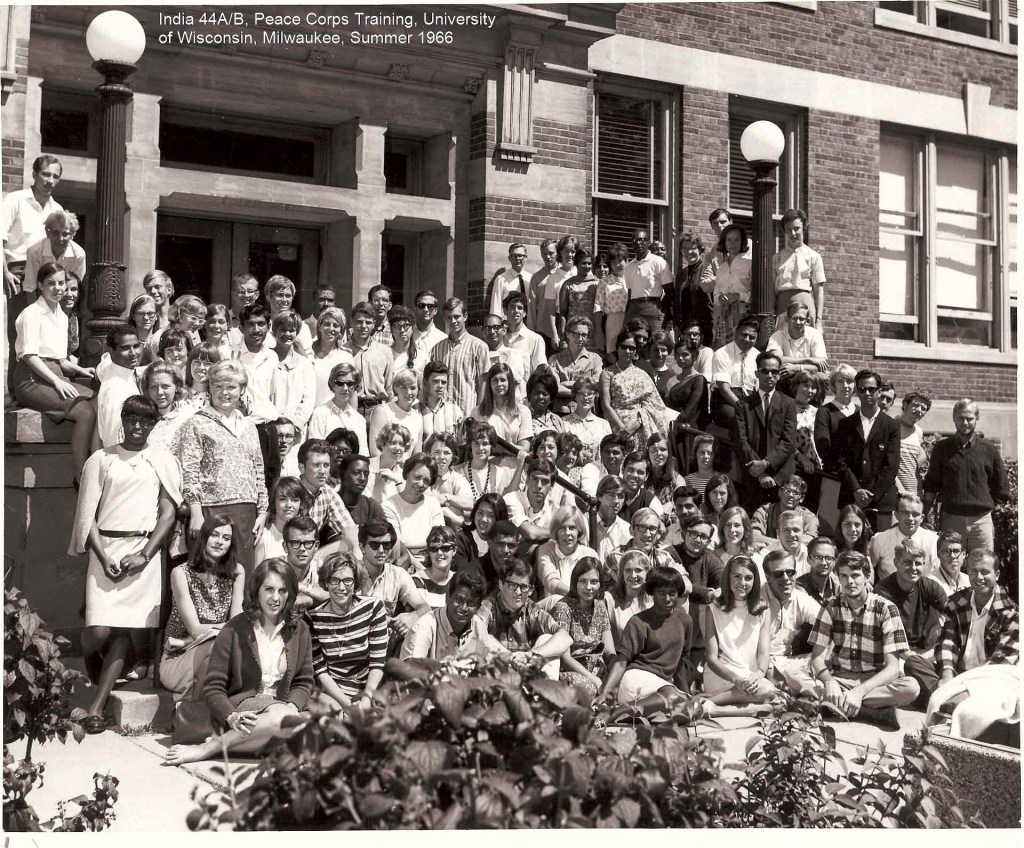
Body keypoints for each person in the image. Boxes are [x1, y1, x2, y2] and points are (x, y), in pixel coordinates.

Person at [68, 396, 181, 733]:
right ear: (122, 419)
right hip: (105, 549)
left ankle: (96, 708)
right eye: (131, 418)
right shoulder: (101, 459)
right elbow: (86, 514)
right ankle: (94, 660)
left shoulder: (163, 461)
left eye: (144, 421)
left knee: (121, 630)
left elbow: (168, 512)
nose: (137, 426)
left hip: (142, 553)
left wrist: (145, 555)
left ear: (154, 425)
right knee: (98, 631)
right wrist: (103, 557)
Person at [165, 559, 315, 765]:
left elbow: (304, 681)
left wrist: (292, 705)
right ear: (256, 590)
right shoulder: (234, 629)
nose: (275, 598)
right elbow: (213, 686)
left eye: (282, 591)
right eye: (269, 589)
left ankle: (232, 743)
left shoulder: (300, 629)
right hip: (244, 707)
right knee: (286, 724)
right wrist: (230, 716)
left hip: (280, 706)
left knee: (312, 728)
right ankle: (207, 749)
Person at [780, 551, 920, 730]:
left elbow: (892, 669)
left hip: (873, 682)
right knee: (792, 674)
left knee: (911, 688)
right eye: (844, 576)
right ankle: (867, 712)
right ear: (838, 578)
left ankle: (832, 705)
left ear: (867, 577)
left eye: (855, 575)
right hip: (840, 679)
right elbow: (816, 658)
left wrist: (859, 692)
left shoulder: (885, 609)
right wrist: (829, 682)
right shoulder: (831, 606)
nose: (849, 582)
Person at [177, 360, 268, 575]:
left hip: (246, 513)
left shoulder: (249, 426)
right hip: (211, 512)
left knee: (241, 575)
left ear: (242, 389)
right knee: (210, 576)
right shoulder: (196, 423)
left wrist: (262, 511)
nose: (224, 393)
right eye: (218, 386)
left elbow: (258, 469)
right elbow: (189, 471)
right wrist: (196, 511)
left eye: (231, 387)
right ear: (209, 387)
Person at [12, 262, 96, 478]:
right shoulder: (31, 313)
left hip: (54, 375)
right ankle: (81, 475)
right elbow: (30, 356)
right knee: (85, 413)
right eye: (51, 283)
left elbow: (60, 361)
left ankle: (96, 463)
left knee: (97, 401)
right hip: (30, 379)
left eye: (61, 283)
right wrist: (57, 382)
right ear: (40, 285)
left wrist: (83, 370)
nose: (58, 288)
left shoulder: (62, 316)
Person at [159, 515, 245, 701]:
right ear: (204, 537)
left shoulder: (236, 572)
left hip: (217, 655)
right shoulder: (181, 573)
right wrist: (230, 627)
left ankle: (194, 710)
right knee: (218, 645)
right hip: (178, 658)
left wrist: (233, 627)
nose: (220, 542)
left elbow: (238, 623)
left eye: (226, 538)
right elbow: (196, 629)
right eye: (214, 535)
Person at [922, 549, 1019, 707]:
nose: (978, 577)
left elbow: (1000, 663)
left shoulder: (1012, 613)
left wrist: (964, 684)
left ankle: (948, 698)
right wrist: (947, 675)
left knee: (1007, 683)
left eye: (985, 572)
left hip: (986, 678)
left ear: (997, 575)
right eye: (973, 571)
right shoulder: (956, 602)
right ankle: (952, 698)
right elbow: (947, 642)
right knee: (914, 663)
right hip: (956, 674)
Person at [4, 155, 65, 397]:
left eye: (55, 176)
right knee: (19, 332)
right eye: (46, 174)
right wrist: (5, 271)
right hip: (18, 272)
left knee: (46, 332)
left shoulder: (57, 209)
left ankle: (42, 387)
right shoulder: (16, 200)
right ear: (34, 174)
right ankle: (15, 392)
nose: (50, 180)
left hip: (47, 275)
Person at [595, 566, 693, 716]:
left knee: (693, 709)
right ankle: (617, 712)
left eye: (672, 593)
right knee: (674, 699)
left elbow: (680, 664)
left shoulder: (685, 621)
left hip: (663, 687)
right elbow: (621, 662)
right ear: (652, 593)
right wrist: (605, 692)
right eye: (661, 593)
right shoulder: (638, 622)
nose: (667, 599)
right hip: (635, 679)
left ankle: (633, 714)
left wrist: (687, 695)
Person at [923, 399, 1010, 553]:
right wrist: (924, 514)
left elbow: (1001, 488)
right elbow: (932, 485)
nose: (965, 423)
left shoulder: (989, 450)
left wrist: (985, 509)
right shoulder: (942, 448)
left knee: (982, 562)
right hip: (951, 519)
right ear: (954, 418)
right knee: (952, 562)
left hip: (981, 522)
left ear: (977, 418)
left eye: (969, 418)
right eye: (960, 418)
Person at [305, 554, 389, 711]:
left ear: (355, 582)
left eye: (347, 580)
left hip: (368, 691)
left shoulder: (373, 608)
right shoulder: (313, 617)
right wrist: (348, 705)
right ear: (326, 582)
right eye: (335, 580)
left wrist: (366, 699)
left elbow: (378, 662)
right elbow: (320, 670)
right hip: (332, 694)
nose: (341, 587)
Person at [875, 540, 947, 707]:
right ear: (896, 563)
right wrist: (912, 657)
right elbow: (885, 637)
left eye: (918, 563)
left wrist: (939, 637)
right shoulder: (883, 592)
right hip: (896, 655)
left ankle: (933, 695)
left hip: (926, 652)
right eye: (907, 563)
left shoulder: (930, 586)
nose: (913, 568)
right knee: (906, 670)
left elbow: (951, 617)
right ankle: (941, 698)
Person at [702, 555, 778, 711]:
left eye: (748, 578)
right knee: (768, 694)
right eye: (737, 576)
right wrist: (736, 680)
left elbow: (764, 653)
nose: (742, 583)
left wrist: (758, 674)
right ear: (727, 577)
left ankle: (713, 708)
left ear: (755, 581)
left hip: (749, 676)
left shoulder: (763, 610)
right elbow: (711, 658)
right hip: (722, 675)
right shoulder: (714, 609)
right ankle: (716, 701)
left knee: (774, 696)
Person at [471, 559, 573, 676]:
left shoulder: (531, 609)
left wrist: (531, 655)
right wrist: (511, 658)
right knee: (482, 635)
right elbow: (475, 631)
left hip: (526, 670)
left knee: (547, 639)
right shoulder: (488, 606)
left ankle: (545, 687)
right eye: (513, 585)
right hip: (498, 674)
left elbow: (566, 638)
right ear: (501, 584)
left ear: (530, 591)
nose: (518, 592)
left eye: (524, 587)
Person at [731, 350, 797, 514]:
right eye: (765, 371)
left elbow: (788, 441)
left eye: (774, 372)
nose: (770, 375)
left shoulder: (788, 404)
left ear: (779, 375)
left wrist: (766, 464)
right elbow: (741, 441)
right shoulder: (743, 405)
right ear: (757, 373)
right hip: (752, 478)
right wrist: (759, 473)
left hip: (780, 478)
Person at [834, 369, 900, 532]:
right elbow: (840, 461)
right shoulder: (845, 424)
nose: (867, 393)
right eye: (862, 389)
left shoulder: (891, 425)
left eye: (872, 389)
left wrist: (870, 494)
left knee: (881, 544)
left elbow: (891, 466)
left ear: (879, 390)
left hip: (881, 500)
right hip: (851, 497)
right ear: (856, 391)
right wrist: (856, 489)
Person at [551, 557, 615, 697]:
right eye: (583, 581)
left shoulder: (600, 606)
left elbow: (609, 651)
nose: (588, 587)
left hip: (598, 671)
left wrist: (614, 674)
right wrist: (595, 681)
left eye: (594, 582)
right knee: (588, 689)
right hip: (571, 672)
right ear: (575, 582)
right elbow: (565, 658)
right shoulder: (563, 608)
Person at [357, 521, 431, 641]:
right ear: (362, 547)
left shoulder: (398, 574)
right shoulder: (349, 572)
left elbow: (425, 608)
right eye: (375, 545)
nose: (381, 550)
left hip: (385, 643)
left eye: (386, 545)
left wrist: (412, 617)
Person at [601, 330, 673, 453]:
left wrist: (638, 422)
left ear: (636, 351)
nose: (628, 351)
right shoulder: (607, 373)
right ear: (617, 348)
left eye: (632, 348)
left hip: (643, 424)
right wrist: (624, 430)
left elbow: (654, 404)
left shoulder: (642, 374)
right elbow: (606, 405)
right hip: (618, 425)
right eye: (624, 347)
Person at [762, 548, 822, 691]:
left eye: (790, 572)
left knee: (828, 662)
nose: (786, 578)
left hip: (788, 662)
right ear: (767, 577)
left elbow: (828, 624)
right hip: (759, 663)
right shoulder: (755, 598)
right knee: (813, 686)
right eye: (778, 574)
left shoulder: (800, 599)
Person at [402, 569, 488, 661]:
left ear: (478, 606)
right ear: (448, 597)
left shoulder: (479, 628)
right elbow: (411, 668)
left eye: (471, 603)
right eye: (459, 600)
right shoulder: (423, 627)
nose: (464, 608)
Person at [382, 453, 445, 571]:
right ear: (407, 474)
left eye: (426, 481)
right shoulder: (389, 506)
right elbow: (397, 545)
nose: (421, 484)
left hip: (432, 562)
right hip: (402, 563)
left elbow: (439, 540)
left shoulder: (433, 503)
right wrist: (422, 571)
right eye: (417, 477)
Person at [294, 438, 359, 551]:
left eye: (326, 465)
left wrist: (357, 552)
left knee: (349, 544)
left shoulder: (328, 493)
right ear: (302, 468)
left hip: (310, 553)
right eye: (316, 465)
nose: (322, 471)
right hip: (285, 551)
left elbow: (349, 528)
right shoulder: (290, 490)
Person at [772, 208, 826, 330]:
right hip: (783, 308)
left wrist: (819, 321)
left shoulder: (813, 256)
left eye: (796, 228)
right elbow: (771, 292)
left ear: (804, 228)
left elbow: (818, 290)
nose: (793, 233)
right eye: (788, 230)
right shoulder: (776, 258)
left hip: (805, 308)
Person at [867, 493, 940, 583]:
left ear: (922, 518)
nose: (910, 518)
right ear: (896, 515)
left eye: (915, 514)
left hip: (923, 590)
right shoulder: (880, 539)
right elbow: (867, 569)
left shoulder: (933, 540)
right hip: (889, 590)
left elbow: (939, 571)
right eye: (905, 513)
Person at [470, 363, 532, 464]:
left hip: (513, 466)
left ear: (510, 383)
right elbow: (473, 445)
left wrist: (505, 448)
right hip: (486, 466)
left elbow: (525, 448)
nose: (499, 384)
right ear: (489, 384)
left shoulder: (523, 411)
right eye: (495, 380)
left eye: (503, 380)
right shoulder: (477, 412)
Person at [535, 506, 599, 601]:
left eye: (572, 528)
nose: (567, 533)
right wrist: (577, 596)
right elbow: (551, 582)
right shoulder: (546, 550)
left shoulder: (589, 554)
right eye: (562, 528)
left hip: (583, 604)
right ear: (556, 531)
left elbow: (594, 586)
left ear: (579, 531)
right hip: (554, 605)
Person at [343, 301, 395, 418]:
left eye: (368, 322)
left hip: (378, 409)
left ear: (373, 324)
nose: (364, 326)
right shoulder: (343, 352)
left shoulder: (385, 352)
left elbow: (390, 389)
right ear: (352, 322)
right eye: (359, 322)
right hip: (350, 409)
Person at [96, 325, 144, 448]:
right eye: (125, 348)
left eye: (136, 346)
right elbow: (112, 437)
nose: (133, 353)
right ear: (111, 350)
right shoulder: (115, 390)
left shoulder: (117, 371)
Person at [24, 210, 86, 303]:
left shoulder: (79, 255)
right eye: (55, 233)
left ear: (72, 235)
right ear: (47, 232)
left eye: (65, 234)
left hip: (65, 299)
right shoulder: (35, 252)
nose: (60, 238)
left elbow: (73, 288)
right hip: (39, 298)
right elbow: (30, 288)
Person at [307, 362, 368, 454]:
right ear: (333, 385)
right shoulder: (320, 413)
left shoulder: (360, 420)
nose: (345, 388)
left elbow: (362, 454)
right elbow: (315, 451)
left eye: (350, 383)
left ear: (355, 386)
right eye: (340, 383)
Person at [710, 317, 760, 429]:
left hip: (749, 399)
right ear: (736, 333)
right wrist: (743, 408)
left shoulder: (758, 356)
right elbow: (724, 390)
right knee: (739, 420)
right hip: (725, 401)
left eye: (752, 337)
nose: (747, 339)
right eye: (744, 335)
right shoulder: (722, 354)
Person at [504, 457, 563, 547]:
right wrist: (559, 533)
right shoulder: (512, 499)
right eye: (535, 479)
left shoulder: (554, 510)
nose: (539, 486)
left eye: (545, 481)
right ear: (527, 480)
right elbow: (530, 534)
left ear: (552, 486)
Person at [548, 317, 603, 411]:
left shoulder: (595, 359)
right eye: (576, 334)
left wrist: (566, 384)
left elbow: (595, 385)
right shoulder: (555, 359)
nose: (580, 339)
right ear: (567, 334)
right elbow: (554, 388)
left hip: (587, 412)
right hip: (562, 412)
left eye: (584, 335)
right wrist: (581, 391)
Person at [623, 229, 671, 336]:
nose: (638, 243)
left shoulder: (659, 262)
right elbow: (629, 294)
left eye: (642, 240)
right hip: (634, 309)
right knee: (633, 342)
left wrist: (660, 309)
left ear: (648, 242)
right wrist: (628, 313)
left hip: (652, 308)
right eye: (635, 240)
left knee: (655, 341)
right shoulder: (628, 267)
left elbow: (669, 291)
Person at [234, 304, 278, 423]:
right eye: (250, 324)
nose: (256, 329)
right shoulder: (229, 354)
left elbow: (274, 395)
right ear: (241, 328)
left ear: (268, 327)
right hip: (238, 423)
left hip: (267, 422)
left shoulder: (272, 357)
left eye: (261, 324)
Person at [667, 231, 713, 343]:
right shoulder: (681, 274)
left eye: (693, 248)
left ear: (700, 249)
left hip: (704, 327)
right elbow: (677, 303)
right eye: (685, 249)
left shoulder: (706, 269)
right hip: (686, 328)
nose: (689, 252)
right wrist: (676, 326)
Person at [711, 223, 751, 348]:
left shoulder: (749, 264)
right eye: (729, 240)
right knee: (724, 349)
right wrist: (720, 298)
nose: (732, 244)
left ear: (742, 241)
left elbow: (755, 293)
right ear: (724, 242)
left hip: (743, 313)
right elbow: (715, 295)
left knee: (740, 347)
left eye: (736, 240)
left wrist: (738, 296)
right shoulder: (721, 268)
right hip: (723, 315)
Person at [813, 362, 858, 474]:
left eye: (849, 381)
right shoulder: (824, 412)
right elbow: (823, 448)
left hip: (858, 474)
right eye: (840, 381)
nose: (845, 385)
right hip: (834, 473)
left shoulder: (860, 412)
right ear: (834, 385)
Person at [254, 476, 310, 565]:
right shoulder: (264, 538)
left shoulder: (306, 538)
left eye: (294, 500)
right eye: (282, 499)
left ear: (301, 504)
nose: (288, 505)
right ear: (274, 502)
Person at [368, 368, 423, 457]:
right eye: (403, 387)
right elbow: (375, 451)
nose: (408, 392)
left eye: (413, 388)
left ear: (418, 390)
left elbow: (417, 453)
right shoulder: (382, 411)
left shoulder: (418, 417)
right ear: (396, 388)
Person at [453, 492, 508, 581]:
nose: (483, 519)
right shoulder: (462, 539)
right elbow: (461, 576)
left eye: (491, 516)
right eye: (480, 513)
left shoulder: (504, 544)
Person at [751, 475, 818, 547]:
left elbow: (810, 540)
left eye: (795, 493)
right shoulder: (764, 511)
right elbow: (754, 536)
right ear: (780, 492)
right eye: (787, 491)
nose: (790, 495)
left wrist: (776, 544)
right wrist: (785, 544)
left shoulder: (809, 517)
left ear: (801, 498)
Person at [143, 360, 194, 453]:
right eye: (154, 387)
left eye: (165, 386)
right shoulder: (139, 418)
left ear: (177, 387)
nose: (159, 392)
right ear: (147, 389)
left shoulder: (188, 418)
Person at [424, 432, 474, 527]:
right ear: (429, 454)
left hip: (453, 530)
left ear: (452, 457)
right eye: (437, 452)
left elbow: (470, 504)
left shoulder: (457, 479)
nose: (441, 457)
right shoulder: (423, 477)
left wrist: (447, 498)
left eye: (446, 453)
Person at [455, 420, 514, 500]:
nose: (480, 448)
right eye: (476, 443)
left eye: (485, 443)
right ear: (470, 445)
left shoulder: (499, 474)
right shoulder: (457, 472)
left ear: (491, 446)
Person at [766, 301, 828, 375]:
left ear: (807, 321)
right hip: (785, 376)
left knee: (822, 377)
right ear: (786, 319)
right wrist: (808, 360)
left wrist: (798, 368)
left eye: (801, 319)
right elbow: (774, 359)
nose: (798, 322)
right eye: (794, 318)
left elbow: (822, 366)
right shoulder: (777, 336)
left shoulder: (815, 334)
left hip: (810, 377)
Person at [561, 378, 611, 467]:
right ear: (575, 396)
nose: (586, 397)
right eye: (581, 394)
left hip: (598, 471)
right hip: (572, 470)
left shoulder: (604, 424)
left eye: (590, 394)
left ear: (595, 395)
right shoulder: (564, 422)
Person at [558, 246, 600, 349]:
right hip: (573, 328)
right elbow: (563, 312)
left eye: (589, 263)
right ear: (577, 264)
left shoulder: (596, 283)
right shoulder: (568, 284)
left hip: (592, 328)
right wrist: (562, 335)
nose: (587, 266)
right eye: (583, 263)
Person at [310, 307, 352, 407]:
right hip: (310, 411)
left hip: (337, 413)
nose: (331, 329)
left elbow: (352, 393)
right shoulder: (308, 353)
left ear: (341, 330)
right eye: (327, 324)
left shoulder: (346, 357)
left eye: (336, 325)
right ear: (319, 327)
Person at [334, 452, 388, 528]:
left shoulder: (371, 506)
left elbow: (385, 532)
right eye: (356, 473)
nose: (362, 478)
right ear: (342, 475)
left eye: (366, 474)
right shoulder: (330, 503)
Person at [412, 525, 459, 609]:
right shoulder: (417, 581)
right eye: (434, 549)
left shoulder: (459, 580)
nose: (439, 553)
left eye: (445, 548)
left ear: (454, 550)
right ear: (429, 552)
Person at [264, 275, 313, 355]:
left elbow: (309, 358)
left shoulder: (302, 328)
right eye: (280, 295)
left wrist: (299, 347)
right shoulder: (262, 325)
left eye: (288, 296)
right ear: (268, 296)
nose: (284, 300)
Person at [894, 389, 930, 498]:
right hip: (896, 492)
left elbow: (922, 455)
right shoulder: (891, 426)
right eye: (915, 405)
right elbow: (884, 465)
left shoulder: (918, 431)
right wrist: (901, 489)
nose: (919, 410)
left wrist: (909, 469)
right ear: (905, 405)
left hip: (915, 491)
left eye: (923, 408)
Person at [595, 242, 630, 355]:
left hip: (630, 317)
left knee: (630, 350)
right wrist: (599, 332)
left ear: (627, 260)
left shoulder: (633, 278)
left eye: (620, 261)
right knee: (614, 353)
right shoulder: (604, 281)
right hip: (613, 320)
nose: (617, 265)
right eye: (614, 262)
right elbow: (598, 307)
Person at [501, 291, 547, 375]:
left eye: (520, 308)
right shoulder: (500, 338)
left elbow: (540, 369)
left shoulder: (535, 339)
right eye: (512, 307)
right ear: (505, 310)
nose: (516, 311)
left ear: (525, 313)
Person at [367, 423, 412, 502]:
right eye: (393, 443)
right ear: (383, 445)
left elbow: (406, 504)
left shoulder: (402, 475)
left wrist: (397, 481)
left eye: (401, 444)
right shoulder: (367, 467)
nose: (398, 448)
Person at [489, 242, 532, 320]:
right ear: (509, 258)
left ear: (526, 257)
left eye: (520, 255)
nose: (518, 259)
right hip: (508, 323)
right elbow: (496, 306)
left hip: (528, 322)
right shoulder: (501, 279)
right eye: (514, 256)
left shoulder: (531, 278)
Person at [619, 450, 665, 522]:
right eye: (630, 470)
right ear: (622, 469)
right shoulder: (611, 494)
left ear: (646, 476)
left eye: (640, 472)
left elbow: (660, 524)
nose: (634, 475)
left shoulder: (650, 501)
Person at [796, 537, 841, 604]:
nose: (823, 563)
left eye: (828, 558)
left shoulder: (838, 587)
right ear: (809, 559)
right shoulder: (798, 589)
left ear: (835, 562)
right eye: (818, 557)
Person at [411, 289, 448, 362]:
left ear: (435, 311)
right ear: (415, 309)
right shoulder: (406, 335)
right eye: (421, 305)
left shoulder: (443, 339)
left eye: (430, 306)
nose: (426, 309)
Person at [931, 531, 971, 598]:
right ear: (939, 555)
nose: (952, 556)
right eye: (947, 551)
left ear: (964, 554)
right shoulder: (930, 582)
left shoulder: (969, 581)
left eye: (956, 551)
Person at [524, 372, 564, 437]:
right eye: (537, 393)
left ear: (551, 397)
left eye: (545, 394)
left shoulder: (556, 419)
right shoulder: (523, 417)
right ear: (529, 395)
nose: (540, 397)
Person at [388, 305, 420, 377]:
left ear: (413, 328)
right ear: (391, 329)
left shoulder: (421, 357)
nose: (402, 330)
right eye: (397, 326)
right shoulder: (384, 355)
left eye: (406, 325)